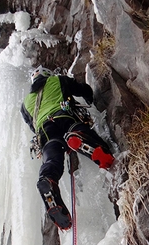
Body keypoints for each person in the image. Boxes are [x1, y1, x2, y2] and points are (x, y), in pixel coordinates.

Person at [21, 65, 114, 230]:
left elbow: (31, 125)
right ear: (47, 74)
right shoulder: (57, 80)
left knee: (52, 158)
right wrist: (91, 98)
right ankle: (78, 139)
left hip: (44, 131)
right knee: (77, 130)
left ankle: (47, 179)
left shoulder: (26, 103)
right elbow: (81, 89)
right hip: (63, 116)